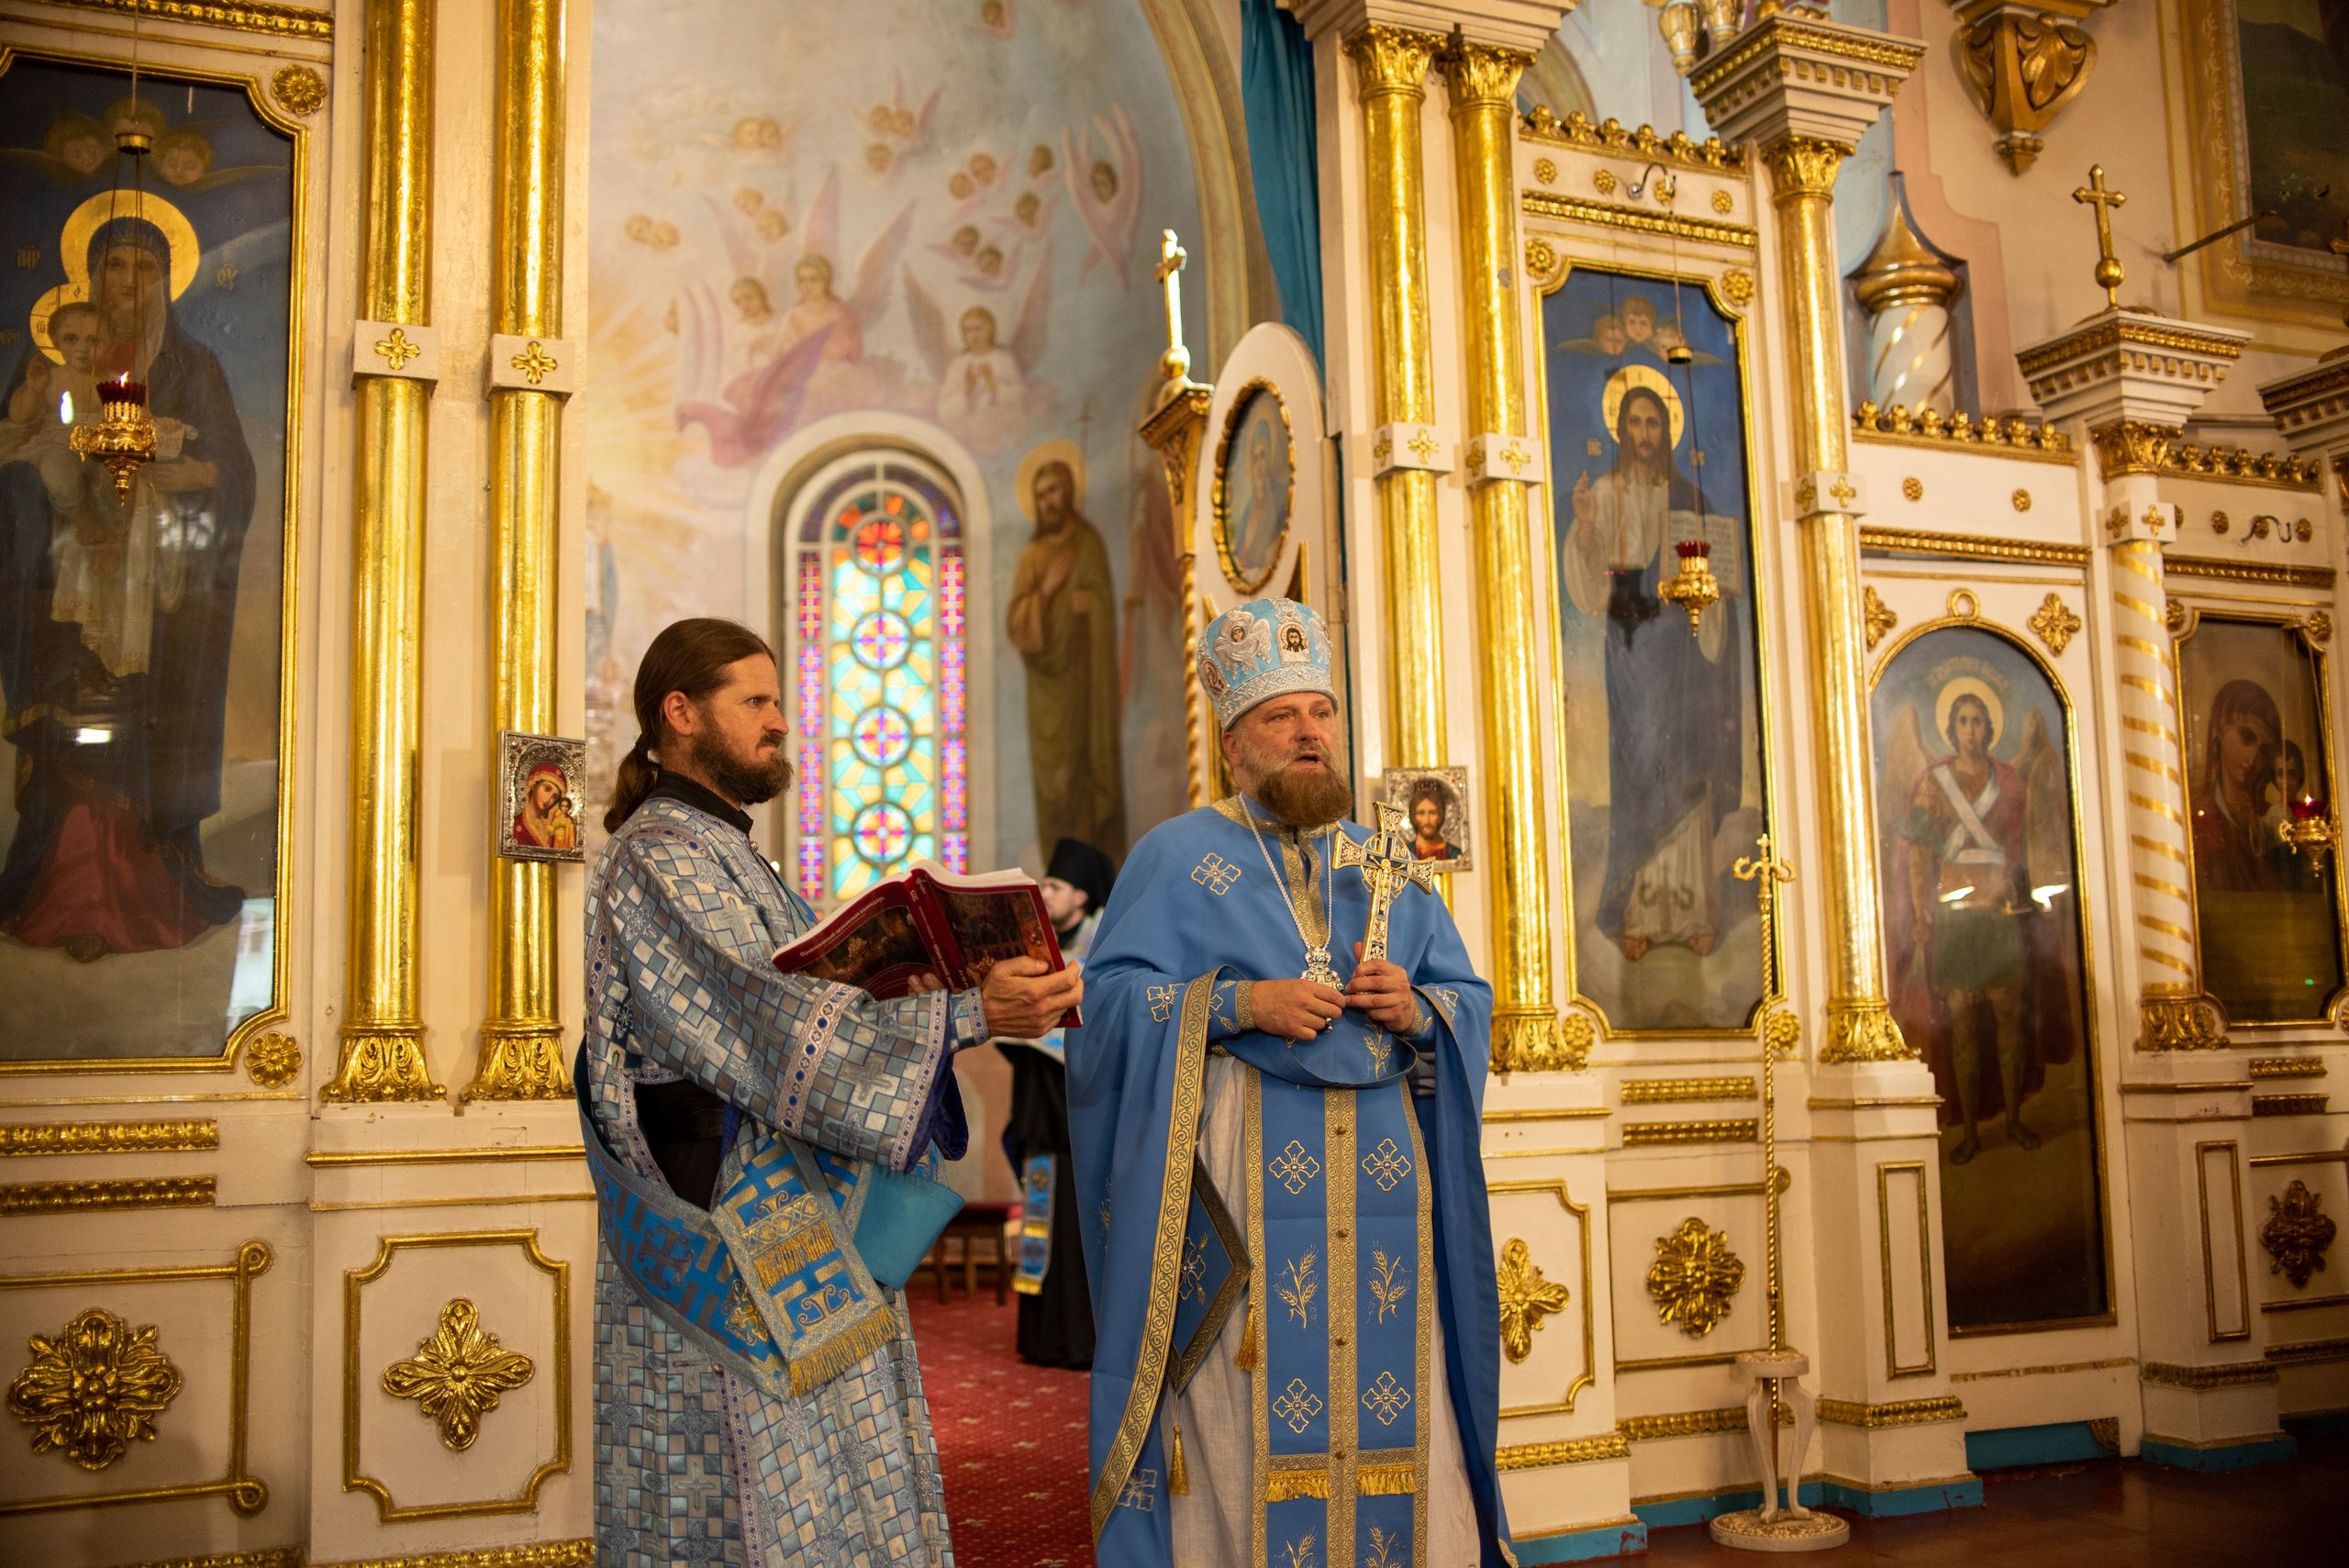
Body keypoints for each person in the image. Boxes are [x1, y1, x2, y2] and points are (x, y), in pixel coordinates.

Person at [579, 617, 1081, 1566]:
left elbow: (797, 1000)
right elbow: (760, 1021)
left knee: (831, 1457)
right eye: (756, 702)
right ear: (679, 713)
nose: (779, 723)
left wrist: (912, 983)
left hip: (786, 1195)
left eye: (778, 701)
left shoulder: (729, 849)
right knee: (749, 1472)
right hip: (723, 1212)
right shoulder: (659, 854)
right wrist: (966, 1015)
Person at [1072, 596, 1510, 1567]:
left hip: (1392, 1196)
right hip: (1242, 1207)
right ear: (1235, 745)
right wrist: (1237, 1003)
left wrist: (1418, 1007)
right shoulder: (1178, 856)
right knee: (1242, 1412)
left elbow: (1467, 1000)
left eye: (1322, 712)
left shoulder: (1385, 861)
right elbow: (1103, 1011)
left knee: (1401, 1405)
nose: (1309, 731)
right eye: (1282, 716)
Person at [0, 213, 256, 961]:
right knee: (70, 722)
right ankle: (65, 890)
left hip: (153, 595)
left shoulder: (192, 365)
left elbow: (235, 471)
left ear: (165, 281)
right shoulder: (49, 362)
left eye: (144, 269)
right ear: (92, 275)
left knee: (141, 724)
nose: (128, 283)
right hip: (63, 589)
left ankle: (140, 893)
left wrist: (199, 474)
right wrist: (64, 499)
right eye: (115, 266)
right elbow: (17, 450)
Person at [1561, 381, 1744, 963]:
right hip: (1632, 642)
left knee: (1685, 762)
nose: (1644, 435)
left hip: (1682, 642)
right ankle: (1634, 908)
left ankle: (1691, 913)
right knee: (1642, 766)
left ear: (1666, 431)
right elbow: (1590, 587)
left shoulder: (1690, 499)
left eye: (1653, 424)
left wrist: (1711, 599)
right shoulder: (1607, 491)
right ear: (1622, 429)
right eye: (1635, 423)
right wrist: (1586, 524)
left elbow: (1718, 579)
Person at [1893, 691, 2047, 1164]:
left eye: (1979, 721)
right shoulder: (1935, 783)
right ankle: (1973, 1134)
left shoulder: (2008, 780)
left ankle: (2016, 1121)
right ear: (1952, 729)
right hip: (1957, 919)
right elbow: (1920, 854)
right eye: (1963, 721)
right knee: (1961, 1028)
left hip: (1998, 915)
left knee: (2009, 1022)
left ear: (1989, 729)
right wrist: (1921, 912)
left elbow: (2024, 845)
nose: (1972, 729)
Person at [996, 835, 1116, 1368]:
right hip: (1042, 1112)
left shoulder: (1105, 950)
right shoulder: (1033, 948)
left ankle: (1087, 1340)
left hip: (1087, 1110)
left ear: (1084, 897)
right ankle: (1045, 1337)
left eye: (1056, 885)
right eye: (1045, 883)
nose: (1044, 892)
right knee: (1043, 1220)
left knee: (1082, 1226)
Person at [1007, 455, 1126, 855]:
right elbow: (1018, 625)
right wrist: (1044, 594)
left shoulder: (1086, 543)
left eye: (1054, 491)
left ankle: (1092, 865)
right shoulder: (1033, 554)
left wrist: (1088, 604)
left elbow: (1106, 605)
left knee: (1085, 770)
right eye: (1040, 496)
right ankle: (1057, 863)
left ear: (1069, 492)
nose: (1047, 502)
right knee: (1053, 782)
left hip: (1085, 682)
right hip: (1047, 690)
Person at [2190, 678, 2283, 893]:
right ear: (2218, 733)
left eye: (2264, 751)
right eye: (2246, 737)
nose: (2252, 759)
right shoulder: (2198, 817)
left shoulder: (2269, 821)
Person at [511, 761, 577, 851]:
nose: (549, 799)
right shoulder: (515, 825)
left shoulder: (557, 828)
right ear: (533, 784)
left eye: (555, 796)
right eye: (547, 788)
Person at [1405, 775, 1460, 863]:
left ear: (1441, 815)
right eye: (1421, 813)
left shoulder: (1455, 855)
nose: (1427, 820)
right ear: (1413, 816)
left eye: (1432, 813)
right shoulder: (1404, 854)